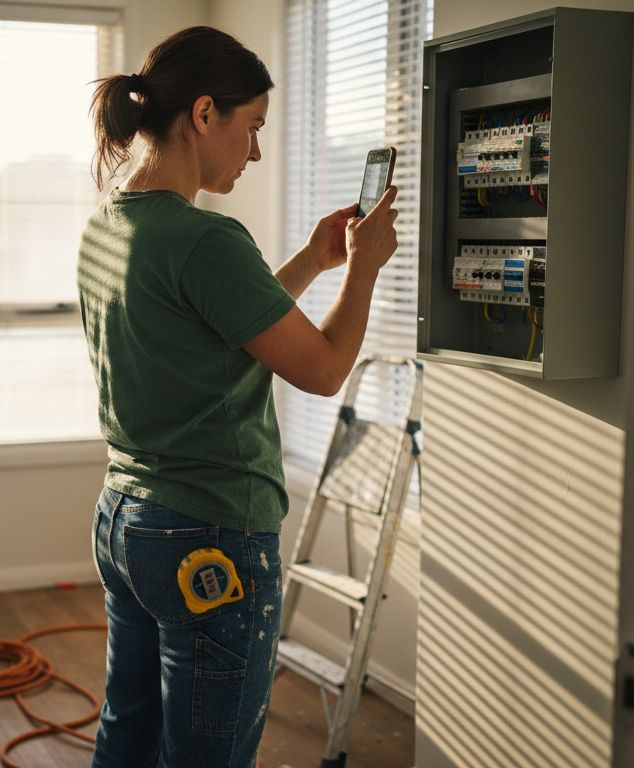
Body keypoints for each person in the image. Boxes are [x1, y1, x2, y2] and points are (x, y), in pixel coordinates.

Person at [77, 25, 399, 768]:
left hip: (126, 523)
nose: (254, 152)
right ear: (203, 114)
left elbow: (222, 327)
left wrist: (317, 262)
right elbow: (320, 370)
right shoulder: (206, 240)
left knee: (126, 732)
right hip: (209, 537)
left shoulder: (107, 226)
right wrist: (364, 269)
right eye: (250, 127)